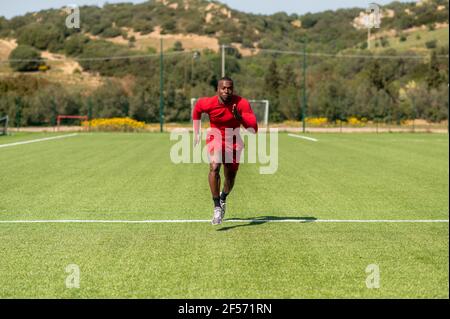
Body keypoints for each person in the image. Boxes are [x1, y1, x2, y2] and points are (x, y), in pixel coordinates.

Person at [192, 77, 258, 225]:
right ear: (218, 89)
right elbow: (197, 110)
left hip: (234, 141)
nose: (227, 91)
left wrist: (240, 118)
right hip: (215, 137)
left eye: (229, 88)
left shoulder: (242, 103)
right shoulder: (208, 102)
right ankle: (216, 207)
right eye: (223, 88)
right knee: (214, 166)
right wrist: (196, 132)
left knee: (230, 179)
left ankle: (223, 197)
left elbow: (254, 129)